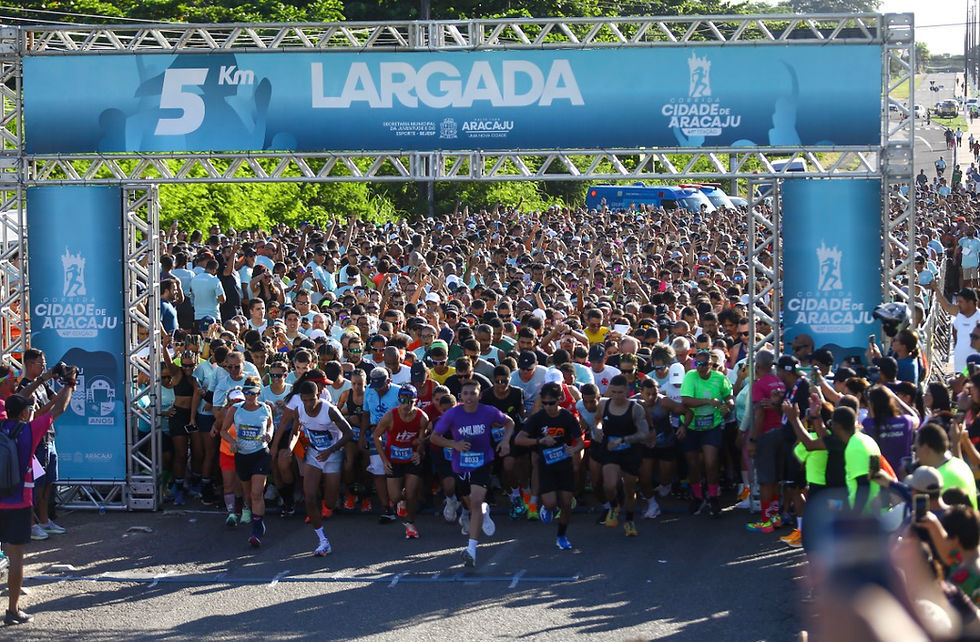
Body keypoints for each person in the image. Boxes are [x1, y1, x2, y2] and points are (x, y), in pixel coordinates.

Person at [0, 374, 76, 625]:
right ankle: (12, 610)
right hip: (19, 503)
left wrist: (42, 378)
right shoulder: (30, 431)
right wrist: (69, 384)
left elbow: (20, 401)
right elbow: (60, 408)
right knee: (16, 559)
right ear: (24, 413)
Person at [430, 379, 514, 567]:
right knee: (471, 503)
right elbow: (434, 437)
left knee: (475, 502)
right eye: (465, 394)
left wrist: (506, 441)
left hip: (482, 461)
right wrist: (454, 444)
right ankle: (484, 511)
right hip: (460, 464)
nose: (469, 397)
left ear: (479, 395)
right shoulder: (452, 414)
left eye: (472, 393)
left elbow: (509, 422)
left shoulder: (488, 411)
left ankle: (471, 550)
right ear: (461, 396)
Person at [515, 382, 583, 550]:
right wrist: (540, 441)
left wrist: (573, 449)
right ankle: (547, 507)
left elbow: (580, 442)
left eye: (551, 403)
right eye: (544, 403)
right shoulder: (538, 418)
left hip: (564, 464)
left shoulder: (567, 417)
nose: (548, 407)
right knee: (551, 503)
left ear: (559, 400)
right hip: (546, 465)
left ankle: (561, 536)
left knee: (566, 503)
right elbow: (519, 439)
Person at [293, 380, 353, 555]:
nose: (308, 404)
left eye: (311, 400)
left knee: (329, 502)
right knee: (309, 497)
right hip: (314, 453)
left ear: (318, 396)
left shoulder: (330, 410)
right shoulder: (299, 410)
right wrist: (289, 449)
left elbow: (348, 432)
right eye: (305, 400)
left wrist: (331, 450)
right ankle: (322, 540)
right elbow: (295, 431)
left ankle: (337, 498)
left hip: (333, 453)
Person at [220, 377, 274, 548]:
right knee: (248, 495)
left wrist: (269, 434)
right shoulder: (235, 409)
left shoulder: (265, 408)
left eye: (253, 393)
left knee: (257, 493)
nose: (250, 396)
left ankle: (256, 531)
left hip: (260, 453)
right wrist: (232, 442)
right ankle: (257, 521)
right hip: (242, 455)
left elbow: (271, 426)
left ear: (259, 393)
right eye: (247, 393)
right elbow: (223, 430)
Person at [593, 375, 650, 536]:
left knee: (629, 488)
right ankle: (614, 505)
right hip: (610, 450)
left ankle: (630, 521)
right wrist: (597, 428)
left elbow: (644, 433)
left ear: (627, 391)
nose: (617, 396)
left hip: (630, 451)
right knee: (609, 485)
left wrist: (623, 439)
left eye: (621, 392)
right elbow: (597, 420)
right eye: (614, 392)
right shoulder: (604, 404)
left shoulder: (635, 408)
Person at [680, 350, 734, 518]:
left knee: (711, 462)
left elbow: (729, 397)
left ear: (711, 365)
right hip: (692, 426)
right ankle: (697, 496)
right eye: (697, 364)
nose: (700, 368)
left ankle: (713, 496)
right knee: (693, 464)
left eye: (703, 364)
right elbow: (686, 400)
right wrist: (708, 401)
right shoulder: (690, 376)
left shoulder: (720, 379)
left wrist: (728, 407)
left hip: (712, 426)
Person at [373, 384, 428, 540]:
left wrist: (419, 452)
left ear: (415, 401)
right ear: (398, 400)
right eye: (403, 400)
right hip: (394, 459)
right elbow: (376, 436)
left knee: (411, 495)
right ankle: (401, 500)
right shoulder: (390, 416)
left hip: (411, 459)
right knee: (395, 497)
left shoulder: (422, 417)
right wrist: (384, 460)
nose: (406, 404)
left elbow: (422, 438)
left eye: (410, 401)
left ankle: (410, 525)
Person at [927, 282, 980, 373]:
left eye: (961, 302)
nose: (958, 304)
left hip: (974, 365)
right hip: (960, 363)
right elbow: (946, 305)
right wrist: (936, 289)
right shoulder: (959, 312)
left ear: (971, 303)